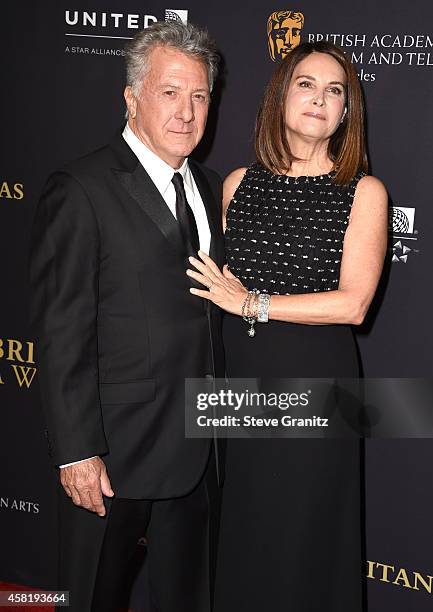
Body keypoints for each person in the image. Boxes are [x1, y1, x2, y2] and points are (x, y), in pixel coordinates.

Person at [29, 21, 224, 612]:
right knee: (92, 598)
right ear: (132, 96)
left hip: (199, 447)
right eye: (169, 92)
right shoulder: (81, 187)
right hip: (113, 454)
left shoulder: (212, 187)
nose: (186, 113)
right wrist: (75, 449)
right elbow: (60, 331)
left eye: (199, 96)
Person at [187, 41, 387, 611]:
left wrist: (254, 304)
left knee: (304, 532)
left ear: (347, 112)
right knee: (245, 523)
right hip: (239, 377)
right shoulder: (236, 184)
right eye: (306, 84)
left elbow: (353, 305)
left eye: (334, 91)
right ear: (281, 96)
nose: (319, 99)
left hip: (314, 381)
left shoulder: (364, 192)